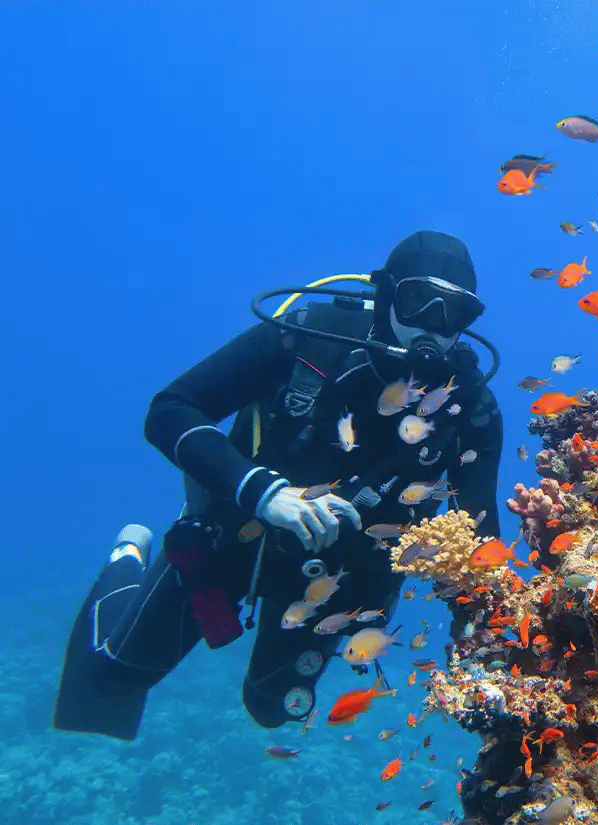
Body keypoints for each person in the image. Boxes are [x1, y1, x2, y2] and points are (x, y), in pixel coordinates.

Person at [54, 230, 503, 741]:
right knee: (111, 683)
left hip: (336, 580)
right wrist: (264, 494)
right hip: (233, 538)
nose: (435, 327)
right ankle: (127, 558)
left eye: (456, 313)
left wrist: (480, 636)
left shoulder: (469, 407)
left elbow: (479, 529)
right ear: (386, 292)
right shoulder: (307, 337)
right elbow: (171, 410)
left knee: (272, 709)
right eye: (419, 300)